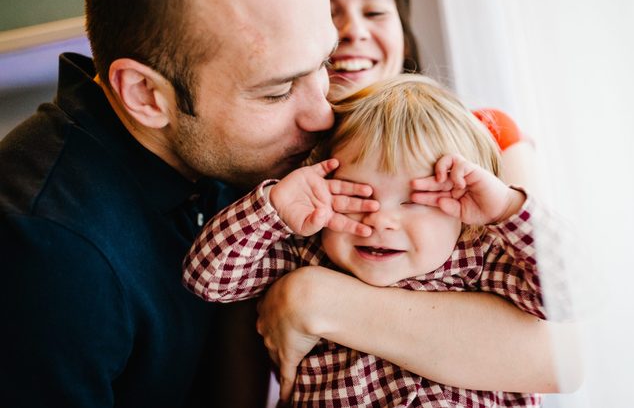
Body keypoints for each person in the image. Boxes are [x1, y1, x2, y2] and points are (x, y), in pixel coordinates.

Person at [0, 0, 340, 406]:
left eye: (324, 63)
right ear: (145, 94)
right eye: (277, 92)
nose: (323, 114)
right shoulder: (45, 252)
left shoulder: (233, 155)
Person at [184, 74, 570, 406]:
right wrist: (274, 209)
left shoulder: (482, 257)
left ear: (464, 212)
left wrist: (506, 208)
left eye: (414, 201)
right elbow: (208, 279)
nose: (381, 220)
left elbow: (568, 296)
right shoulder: (307, 251)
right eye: (356, 196)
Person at [309, 0, 538, 190]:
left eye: (374, 12)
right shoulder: (278, 168)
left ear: (404, 37)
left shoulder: (489, 136)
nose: (353, 30)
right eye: (328, 13)